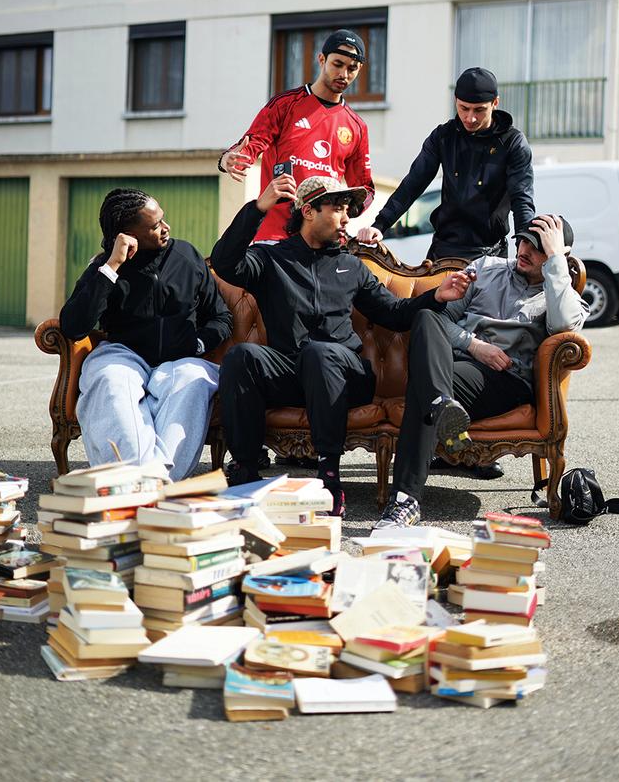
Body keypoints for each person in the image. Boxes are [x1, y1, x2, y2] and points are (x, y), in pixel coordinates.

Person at [210, 173, 471, 517]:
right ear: (308, 211)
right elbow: (225, 262)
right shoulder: (272, 259)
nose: (347, 217)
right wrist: (258, 209)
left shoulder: (352, 266)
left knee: (320, 352)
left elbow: (394, 313)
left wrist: (435, 296)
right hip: (293, 373)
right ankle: (245, 470)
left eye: (348, 209)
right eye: (337, 208)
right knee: (242, 355)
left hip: (347, 378)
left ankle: (329, 475)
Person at [374, 214, 589, 528]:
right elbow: (440, 320)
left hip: (505, 381)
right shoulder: (486, 268)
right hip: (458, 367)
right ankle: (441, 406)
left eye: (539, 247)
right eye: (523, 241)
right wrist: (474, 345)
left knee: (425, 390)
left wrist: (556, 262)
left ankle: (404, 501)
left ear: (559, 254)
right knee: (426, 317)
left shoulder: (563, 296)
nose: (525, 250)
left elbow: (563, 325)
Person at [59, 188, 232, 480]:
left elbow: (221, 317)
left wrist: (196, 343)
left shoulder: (186, 256)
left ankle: (145, 480)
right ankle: (147, 479)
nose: (166, 228)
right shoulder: (105, 265)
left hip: (181, 360)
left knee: (193, 381)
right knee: (109, 380)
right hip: (124, 354)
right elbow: (73, 326)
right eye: (155, 225)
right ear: (128, 235)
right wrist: (112, 266)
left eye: (162, 219)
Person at [357, 66, 534, 261]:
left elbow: (522, 199)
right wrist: (380, 225)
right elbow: (413, 183)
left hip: (490, 253)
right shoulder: (443, 136)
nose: (470, 118)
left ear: (495, 103)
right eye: (464, 108)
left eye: (479, 110)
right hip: (443, 249)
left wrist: (525, 249)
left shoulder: (513, 143)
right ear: (455, 101)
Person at [218, 29, 375, 242]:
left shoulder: (357, 126)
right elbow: (252, 143)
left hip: (323, 241)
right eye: (337, 64)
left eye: (352, 68)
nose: (344, 74)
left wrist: (343, 210)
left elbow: (366, 189)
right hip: (275, 237)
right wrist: (228, 159)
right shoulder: (285, 105)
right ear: (322, 59)